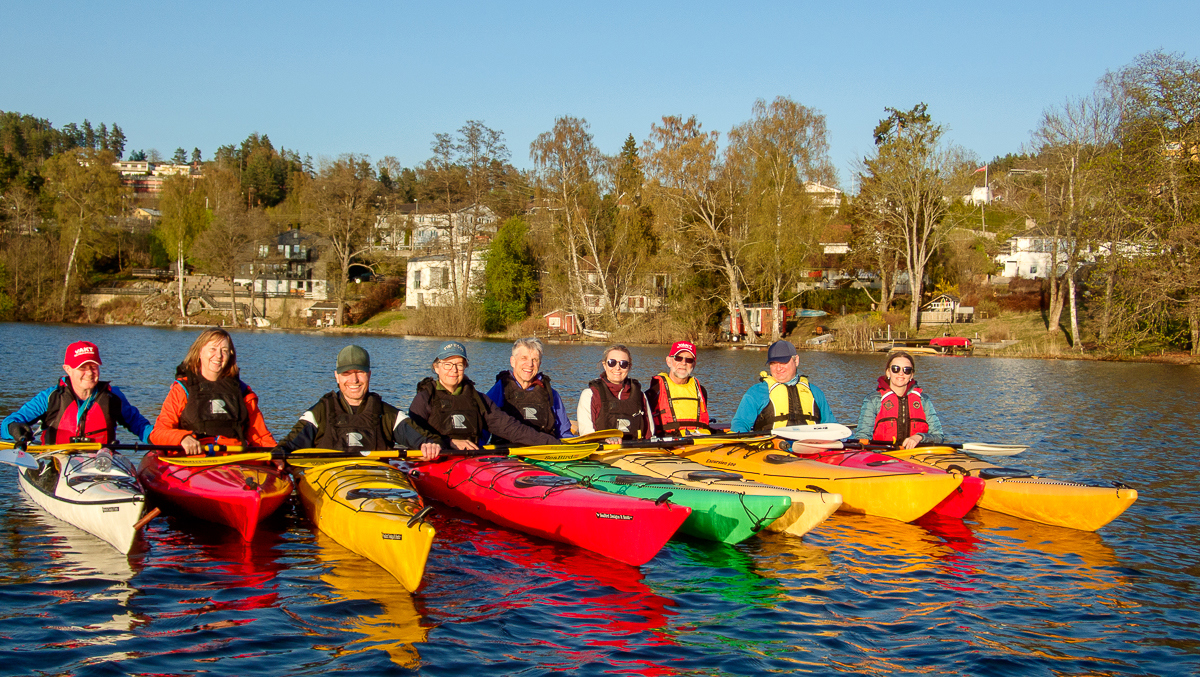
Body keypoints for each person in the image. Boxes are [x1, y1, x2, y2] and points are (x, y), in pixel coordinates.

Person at [274, 345, 441, 460]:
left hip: (375, 483)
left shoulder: (388, 414)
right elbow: (288, 445)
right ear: (337, 376)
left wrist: (429, 447)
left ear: (369, 375)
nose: (354, 380)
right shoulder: (319, 413)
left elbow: (428, 439)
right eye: (347, 373)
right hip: (331, 483)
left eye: (360, 372)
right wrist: (279, 456)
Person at [408, 341, 561, 450]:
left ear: (465, 367)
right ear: (436, 368)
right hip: (436, 460)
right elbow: (412, 435)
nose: (453, 370)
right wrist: (448, 442)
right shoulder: (424, 398)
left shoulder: (478, 400)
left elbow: (511, 429)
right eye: (448, 364)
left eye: (459, 365)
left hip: (470, 461)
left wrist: (553, 443)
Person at [150, 328, 275, 455]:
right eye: (213, 349)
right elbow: (158, 433)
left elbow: (261, 436)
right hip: (193, 461)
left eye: (224, 351)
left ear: (230, 355)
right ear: (199, 352)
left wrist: (276, 456)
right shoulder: (182, 390)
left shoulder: (242, 392)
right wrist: (182, 438)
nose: (219, 356)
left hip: (233, 461)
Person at [2, 341, 152, 445]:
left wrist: (160, 439)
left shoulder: (114, 397)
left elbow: (140, 426)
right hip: (56, 461)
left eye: (93, 367)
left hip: (100, 461)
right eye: (82, 368)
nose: (89, 373)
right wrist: (14, 428)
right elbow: (7, 423)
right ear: (67, 369)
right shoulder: (50, 398)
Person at [730, 340, 836, 433]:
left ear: (796, 360)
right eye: (773, 363)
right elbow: (740, 424)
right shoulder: (757, 392)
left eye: (783, 362)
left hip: (811, 448)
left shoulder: (815, 392)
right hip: (772, 450)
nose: (778, 368)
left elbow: (832, 425)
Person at [485, 337, 572, 443]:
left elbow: (564, 433)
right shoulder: (500, 390)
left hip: (544, 452)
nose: (530, 364)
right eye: (524, 358)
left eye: (534, 360)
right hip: (507, 453)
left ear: (539, 364)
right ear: (513, 361)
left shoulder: (551, 394)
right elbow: (483, 428)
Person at [855, 351, 945, 449]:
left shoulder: (924, 400)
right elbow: (862, 437)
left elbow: (938, 436)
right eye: (895, 369)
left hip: (916, 456)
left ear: (911, 375)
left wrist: (919, 437)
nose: (901, 373)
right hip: (882, 457)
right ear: (888, 372)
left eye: (907, 370)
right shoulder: (873, 400)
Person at [577, 344, 655, 442]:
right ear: (604, 365)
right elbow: (587, 433)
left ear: (629, 367)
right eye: (612, 363)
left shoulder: (640, 395)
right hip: (603, 451)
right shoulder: (589, 394)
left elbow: (650, 432)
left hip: (635, 451)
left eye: (623, 364)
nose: (617, 368)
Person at [644, 340, 712, 436]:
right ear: (669, 361)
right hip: (669, 443)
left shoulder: (701, 391)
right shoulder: (654, 391)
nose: (683, 363)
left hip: (699, 442)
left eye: (689, 360)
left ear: (694, 365)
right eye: (678, 358)